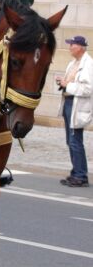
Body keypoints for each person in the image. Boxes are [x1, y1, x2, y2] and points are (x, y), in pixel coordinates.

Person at [55, 36, 93, 187]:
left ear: (81, 47)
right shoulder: (73, 63)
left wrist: (67, 85)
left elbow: (88, 89)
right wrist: (62, 83)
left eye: (72, 44)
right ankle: (76, 172)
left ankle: (80, 175)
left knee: (75, 141)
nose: (70, 46)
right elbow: (71, 83)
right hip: (68, 103)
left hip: (77, 105)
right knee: (70, 141)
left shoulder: (88, 64)